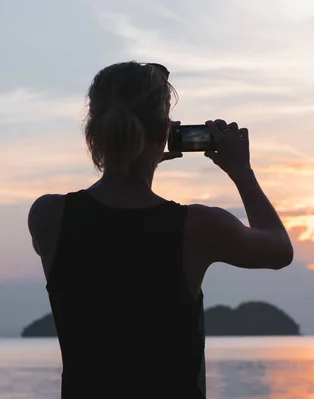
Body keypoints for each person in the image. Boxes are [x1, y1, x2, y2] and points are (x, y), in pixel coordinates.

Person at [27, 61, 294, 399]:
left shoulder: (49, 216)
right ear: (165, 132)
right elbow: (279, 249)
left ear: (94, 131)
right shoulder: (199, 227)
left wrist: (140, 159)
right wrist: (241, 171)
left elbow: (112, 232)